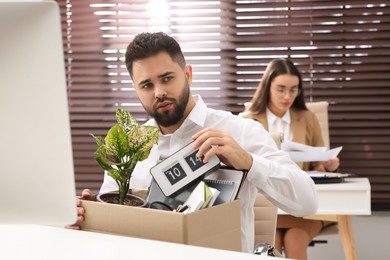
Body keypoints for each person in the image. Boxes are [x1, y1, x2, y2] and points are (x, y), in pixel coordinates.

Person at [69, 32, 318, 254]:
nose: (158, 92)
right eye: (147, 85)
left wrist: (249, 162)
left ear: (187, 75)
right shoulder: (128, 147)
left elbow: (307, 201)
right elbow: (111, 231)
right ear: (136, 89)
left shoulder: (241, 131)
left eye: (167, 78)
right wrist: (85, 219)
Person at [240, 58, 339, 259]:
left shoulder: (308, 118)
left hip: (301, 209)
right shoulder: (247, 121)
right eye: (281, 89)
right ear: (268, 87)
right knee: (269, 244)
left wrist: (327, 166)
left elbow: (316, 164)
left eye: (294, 90)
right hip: (267, 206)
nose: (287, 96)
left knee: (294, 240)